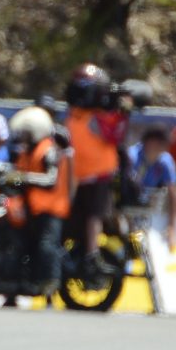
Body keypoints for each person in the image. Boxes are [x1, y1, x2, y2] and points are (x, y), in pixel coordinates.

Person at [64, 63, 126, 278]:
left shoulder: (73, 116)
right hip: (96, 175)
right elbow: (115, 135)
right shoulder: (95, 118)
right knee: (94, 215)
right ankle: (91, 253)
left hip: (76, 176)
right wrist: (122, 112)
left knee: (84, 215)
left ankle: (83, 251)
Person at [10, 105, 71, 299]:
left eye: (27, 133)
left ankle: (50, 285)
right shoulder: (25, 152)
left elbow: (50, 179)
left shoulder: (48, 151)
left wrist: (24, 178)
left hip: (51, 209)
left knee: (46, 245)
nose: (23, 136)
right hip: (31, 209)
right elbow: (16, 173)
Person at [125, 125, 176, 250]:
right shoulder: (131, 157)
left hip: (150, 211)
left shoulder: (165, 161)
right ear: (150, 142)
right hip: (128, 210)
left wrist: (172, 227)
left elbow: (174, 193)